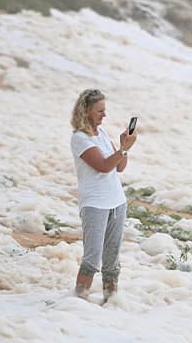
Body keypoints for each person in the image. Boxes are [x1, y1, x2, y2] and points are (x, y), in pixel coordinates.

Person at [70, 88, 136, 303]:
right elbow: (104, 166)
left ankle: (111, 303)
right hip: (95, 205)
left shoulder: (102, 134)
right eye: (100, 111)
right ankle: (77, 303)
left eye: (104, 110)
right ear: (86, 111)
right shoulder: (80, 138)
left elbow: (120, 167)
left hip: (117, 202)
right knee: (92, 259)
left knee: (112, 260)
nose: (104, 115)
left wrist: (124, 148)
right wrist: (122, 149)